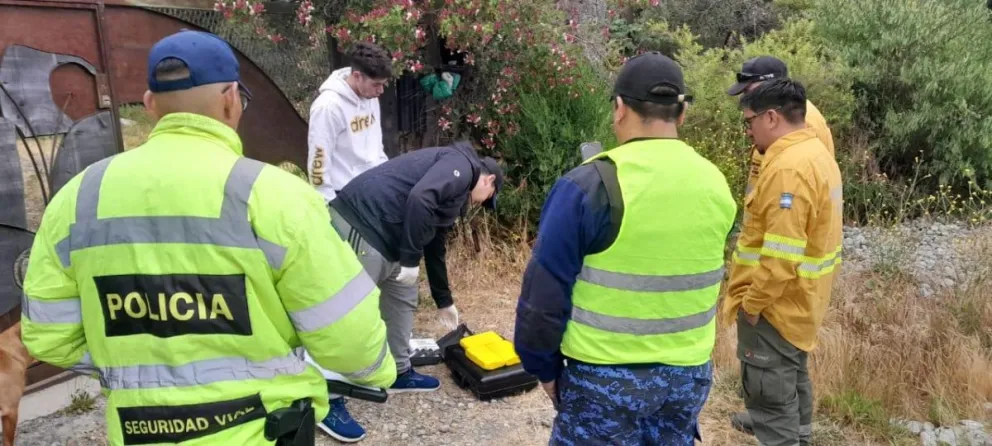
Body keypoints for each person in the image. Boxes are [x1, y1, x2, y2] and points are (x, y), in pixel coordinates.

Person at [18, 30, 396, 446]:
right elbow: (351, 340)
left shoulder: (76, 199)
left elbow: (48, 338)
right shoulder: (277, 197)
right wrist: (380, 370)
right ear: (231, 98)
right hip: (262, 429)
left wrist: (133, 369)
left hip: (138, 432)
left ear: (149, 105)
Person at [513, 52, 738, 445]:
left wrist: (543, 369)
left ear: (619, 108)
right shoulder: (715, 182)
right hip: (687, 378)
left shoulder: (590, 184)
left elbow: (543, 296)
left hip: (603, 378)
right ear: (681, 114)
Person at [308, 140, 503, 442]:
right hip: (362, 221)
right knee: (346, 312)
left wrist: (444, 301)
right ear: (489, 180)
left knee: (403, 299)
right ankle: (323, 398)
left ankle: (398, 370)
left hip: (390, 238)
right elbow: (419, 198)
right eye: (487, 198)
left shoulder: (455, 194)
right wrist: (411, 259)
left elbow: (436, 245)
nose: (480, 204)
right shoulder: (462, 166)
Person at [723, 78, 843, 446]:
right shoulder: (816, 153)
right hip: (802, 303)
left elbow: (781, 256)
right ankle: (801, 437)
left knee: (770, 395)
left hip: (775, 306)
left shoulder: (788, 168)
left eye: (750, 121)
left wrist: (753, 305)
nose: (748, 131)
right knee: (792, 378)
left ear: (772, 117)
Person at [727, 55, 835, 198]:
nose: (746, 99)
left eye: (750, 91)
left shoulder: (802, 119)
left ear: (772, 86)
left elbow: (801, 188)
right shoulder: (766, 116)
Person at [307, 41, 391, 203]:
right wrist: (330, 206)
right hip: (345, 195)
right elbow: (318, 163)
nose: (381, 90)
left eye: (383, 84)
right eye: (376, 84)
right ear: (357, 76)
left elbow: (376, 146)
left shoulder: (370, 96)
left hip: (375, 188)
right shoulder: (328, 107)